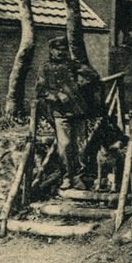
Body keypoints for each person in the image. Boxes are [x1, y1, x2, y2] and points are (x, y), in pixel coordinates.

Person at [35, 36, 102, 191]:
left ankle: (79, 177)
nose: (61, 52)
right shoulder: (45, 68)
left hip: (78, 111)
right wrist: (57, 95)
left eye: (64, 49)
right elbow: (40, 90)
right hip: (60, 113)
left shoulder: (73, 65)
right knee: (64, 146)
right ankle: (67, 177)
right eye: (57, 49)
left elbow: (93, 75)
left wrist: (82, 84)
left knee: (81, 146)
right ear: (51, 51)